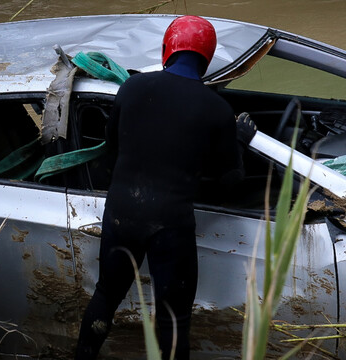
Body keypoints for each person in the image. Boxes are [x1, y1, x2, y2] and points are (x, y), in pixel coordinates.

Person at [75, 15, 257, 360]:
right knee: (174, 321)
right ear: (206, 58)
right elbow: (229, 180)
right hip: (169, 225)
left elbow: (111, 148)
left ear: (167, 50)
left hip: (120, 213)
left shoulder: (131, 87)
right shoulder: (217, 110)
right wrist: (240, 143)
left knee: (105, 297)